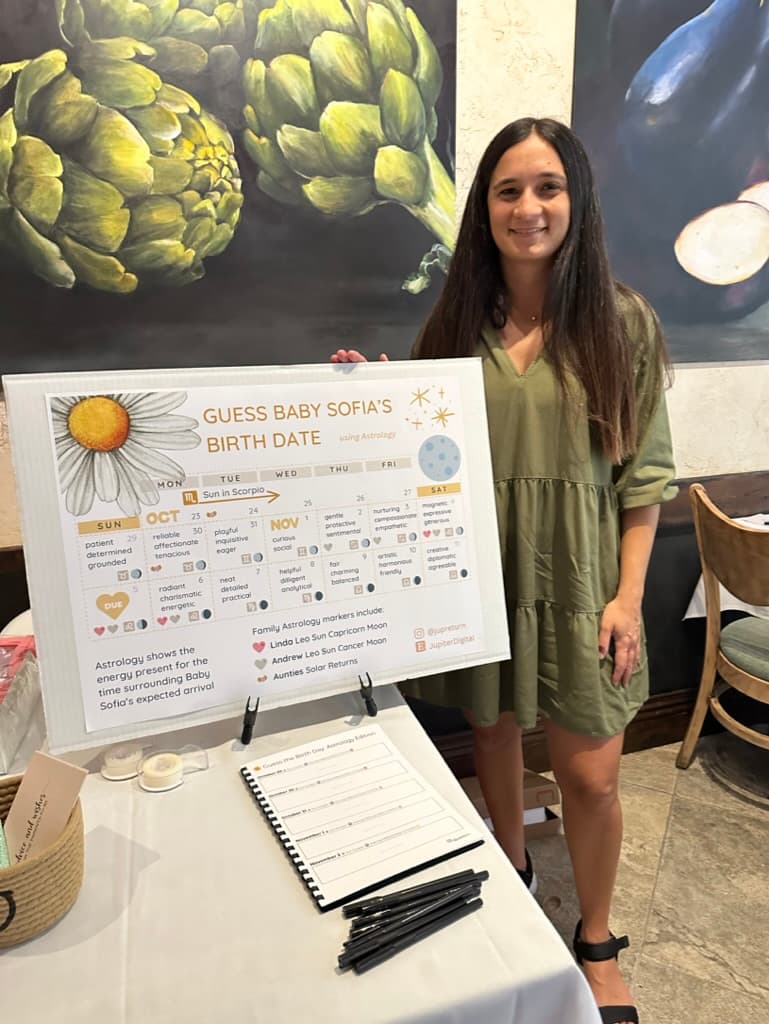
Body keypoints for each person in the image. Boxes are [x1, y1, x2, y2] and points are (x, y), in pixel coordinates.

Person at [332, 117, 676, 1024]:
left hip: (583, 582)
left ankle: (595, 939)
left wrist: (628, 599)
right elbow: (411, 453)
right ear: (483, 210)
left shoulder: (622, 321)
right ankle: (513, 872)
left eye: (547, 187)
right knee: (490, 732)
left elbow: (642, 481)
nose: (528, 207)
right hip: (473, 575)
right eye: (508, 190)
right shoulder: (452, 326)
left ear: (577, 201)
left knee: (592, 777)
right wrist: (365, 403)